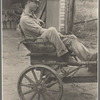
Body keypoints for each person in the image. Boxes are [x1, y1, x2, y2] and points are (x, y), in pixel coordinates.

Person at [18, 0, 97, 72]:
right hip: (38, 44)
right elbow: (41, 31)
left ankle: (89, 59)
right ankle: (64, 55)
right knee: (52, 30)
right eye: (36, 2)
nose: (38, 5)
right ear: (28, 2)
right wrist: (57, 34)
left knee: (72, 38)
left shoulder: (31, 16)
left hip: (43, 41)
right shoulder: (25, 19)